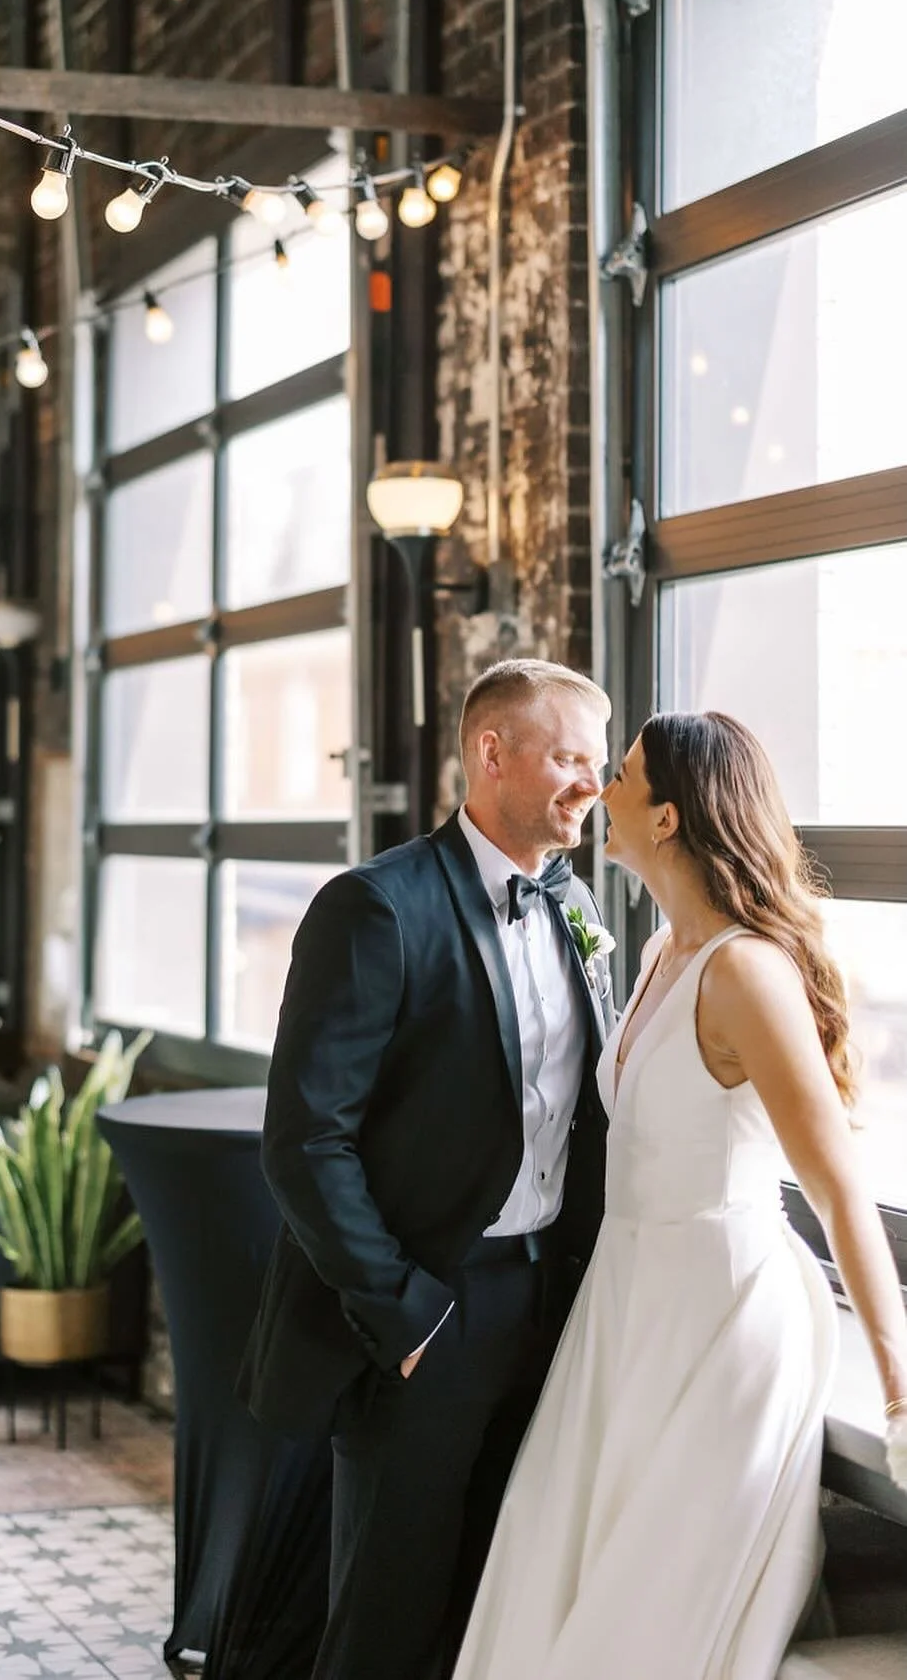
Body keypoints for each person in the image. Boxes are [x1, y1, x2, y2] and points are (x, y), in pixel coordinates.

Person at [452, 711, 907, 1680]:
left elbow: (837, 1188)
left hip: (722, 1315)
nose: (596, 789)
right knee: (555, 1564)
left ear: (665, 817)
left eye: (618, 774)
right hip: (626, 1307)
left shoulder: (745, 972)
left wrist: (899, 1389)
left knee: (647, 1608)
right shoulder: (663, 949)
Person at [237, 658, 615, 1680]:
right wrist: (405, 1315)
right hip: (430, 1308)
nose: (592, 784)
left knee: (497, 1603)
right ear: (492, 752)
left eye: (597, 761)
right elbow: (305, 1140)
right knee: (388, 1612)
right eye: (570, 758)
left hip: (548, 1304)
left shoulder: (575, 901)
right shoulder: (376, 906)